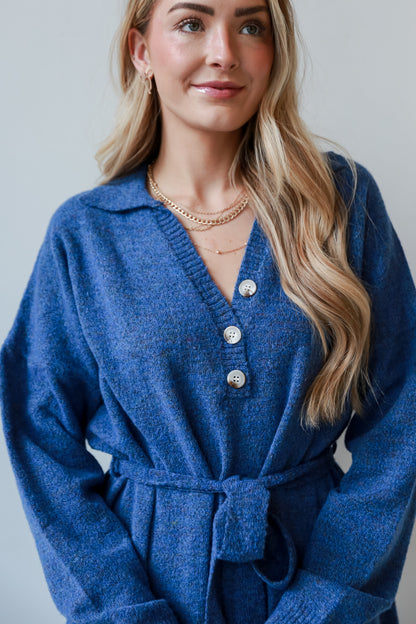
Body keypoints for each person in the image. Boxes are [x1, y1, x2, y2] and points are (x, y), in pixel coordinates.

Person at [1, 0, 415, 623]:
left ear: (274, 52)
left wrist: (325, 607)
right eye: (192, 23)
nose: (224, 51)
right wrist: (123, 611)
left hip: (327, 582)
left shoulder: (341, 204)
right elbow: (40, 435)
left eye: (251, 26)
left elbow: (404, 415)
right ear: (141, 51)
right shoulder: (85, 236)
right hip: (149, 584)